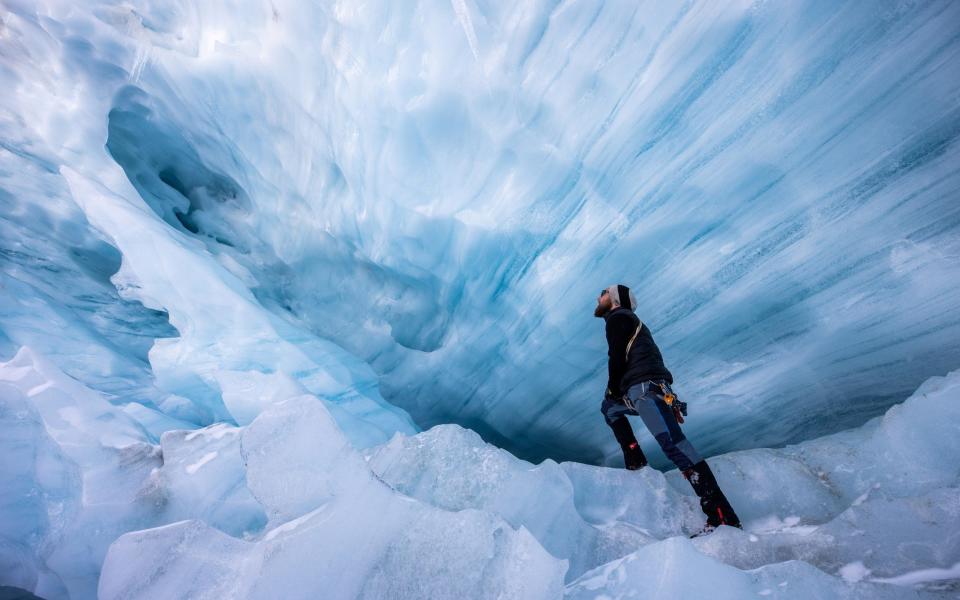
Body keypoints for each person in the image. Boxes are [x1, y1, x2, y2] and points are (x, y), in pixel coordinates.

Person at [595, 284, 741, 533]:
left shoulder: (619, 318)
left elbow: (617, 356)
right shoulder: (625, 320)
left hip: (645, 390)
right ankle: (635, 461)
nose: (599, 297)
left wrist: (613, 387)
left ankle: (722, 517)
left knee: (675, 445)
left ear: (616, 300)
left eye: (604, 292)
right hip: (642, 390)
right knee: (610, 409)